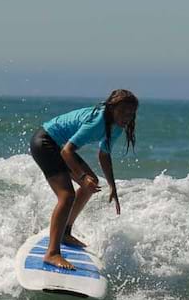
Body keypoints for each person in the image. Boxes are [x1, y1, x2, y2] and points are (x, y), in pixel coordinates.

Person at [29, 89, 139, 270]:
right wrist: (81, 176)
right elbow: (67, 151)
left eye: (130, 113)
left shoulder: (118, 126)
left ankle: (65, 232)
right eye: (122, 112)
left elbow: (104, 154)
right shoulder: (97, 122)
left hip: (58, 146)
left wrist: (112, 186)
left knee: (91, 184)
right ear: (111, 108)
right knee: (67, 195)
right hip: (45, 142)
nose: (126, 117)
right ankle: (52, 253)